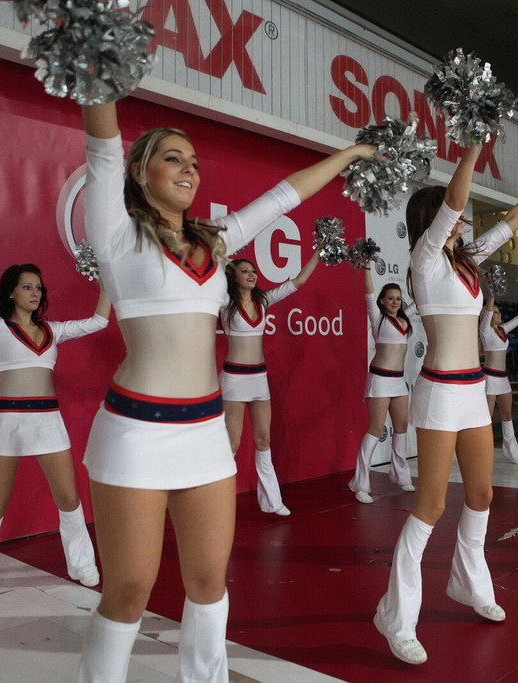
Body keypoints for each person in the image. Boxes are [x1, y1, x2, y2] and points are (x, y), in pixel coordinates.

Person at [78, 100, 375, 681]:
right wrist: (98, 69)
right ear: (140, 171)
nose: (188, 169)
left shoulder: (216, 241)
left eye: (194, 161)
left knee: (209, 582)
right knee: (130, 589)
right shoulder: (115, 232)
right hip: (135, 432)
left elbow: (286, 195)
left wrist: (354, 153)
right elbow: (102, 144)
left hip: (206, 432)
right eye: (173, 158)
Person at [373, 144, 518, 665]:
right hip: (438, 392)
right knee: (431, 506)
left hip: (473, 391)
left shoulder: (466, 260)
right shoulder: (424, 258)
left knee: (481, 494)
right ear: (432, 219)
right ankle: (396, 617)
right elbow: (454, 201)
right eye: (449, 214)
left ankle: (470, 584)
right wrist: (476, 141)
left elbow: (514, 221)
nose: (460, 219)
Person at [0, 264, 110, 617]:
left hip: (48, 421)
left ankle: (82, 564)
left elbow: (99, 321)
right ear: (11, 292)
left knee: (68, 498)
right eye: (27, 287)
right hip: (6, 422)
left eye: (38, 287)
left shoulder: (53, 330)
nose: (35, 293)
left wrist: (106, 280)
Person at [220, 250, 324, 516]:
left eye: (253, 271)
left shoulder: (263, 300)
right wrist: (218, 255)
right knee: (232, 443)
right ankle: (216, 503)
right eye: (244, 271)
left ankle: (272, 501)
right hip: (234, 378)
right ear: (233, 276)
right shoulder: (224, 301)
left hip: (259, 377)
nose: (251, 274)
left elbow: (298, 281)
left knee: (264, 439)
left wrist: (318, 253)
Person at [349, 268, 416, 503]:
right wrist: (367, 266)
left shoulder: (406, 318)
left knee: (401, 427)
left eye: (398, 298)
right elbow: (368, 292)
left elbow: (419, 299)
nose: (395, 302)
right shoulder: (378, 318)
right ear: (382, 301)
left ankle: (400, 475)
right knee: (375, 429)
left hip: (398, 381)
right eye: (390, 298)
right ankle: (361, 483)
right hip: (379, 379)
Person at [480, 293, 518, 464]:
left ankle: (512, 453)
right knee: (486, 418)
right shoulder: (485, 330)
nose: (499, 314)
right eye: (495, 312)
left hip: (502, 378)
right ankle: (482, 453)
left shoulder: (503, 330)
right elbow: (488, 310)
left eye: (499, 311)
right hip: (489, 377)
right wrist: (492, 294)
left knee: (507, 415)